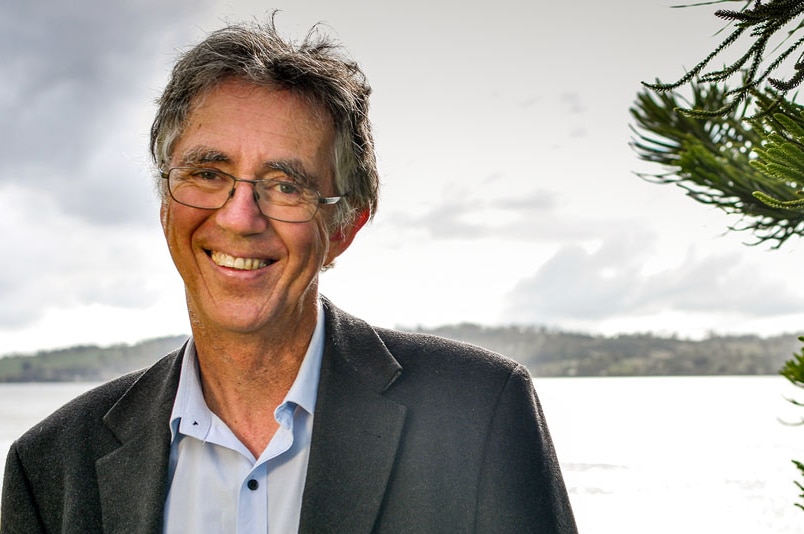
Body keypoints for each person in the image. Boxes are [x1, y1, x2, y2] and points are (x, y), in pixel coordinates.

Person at [1, 17, 577, 534]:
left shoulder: (479, 412)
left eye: (286, 185)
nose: (239, 216)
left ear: (346, 226)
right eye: (207, 172)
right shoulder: (51, 466)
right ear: (165, 202)